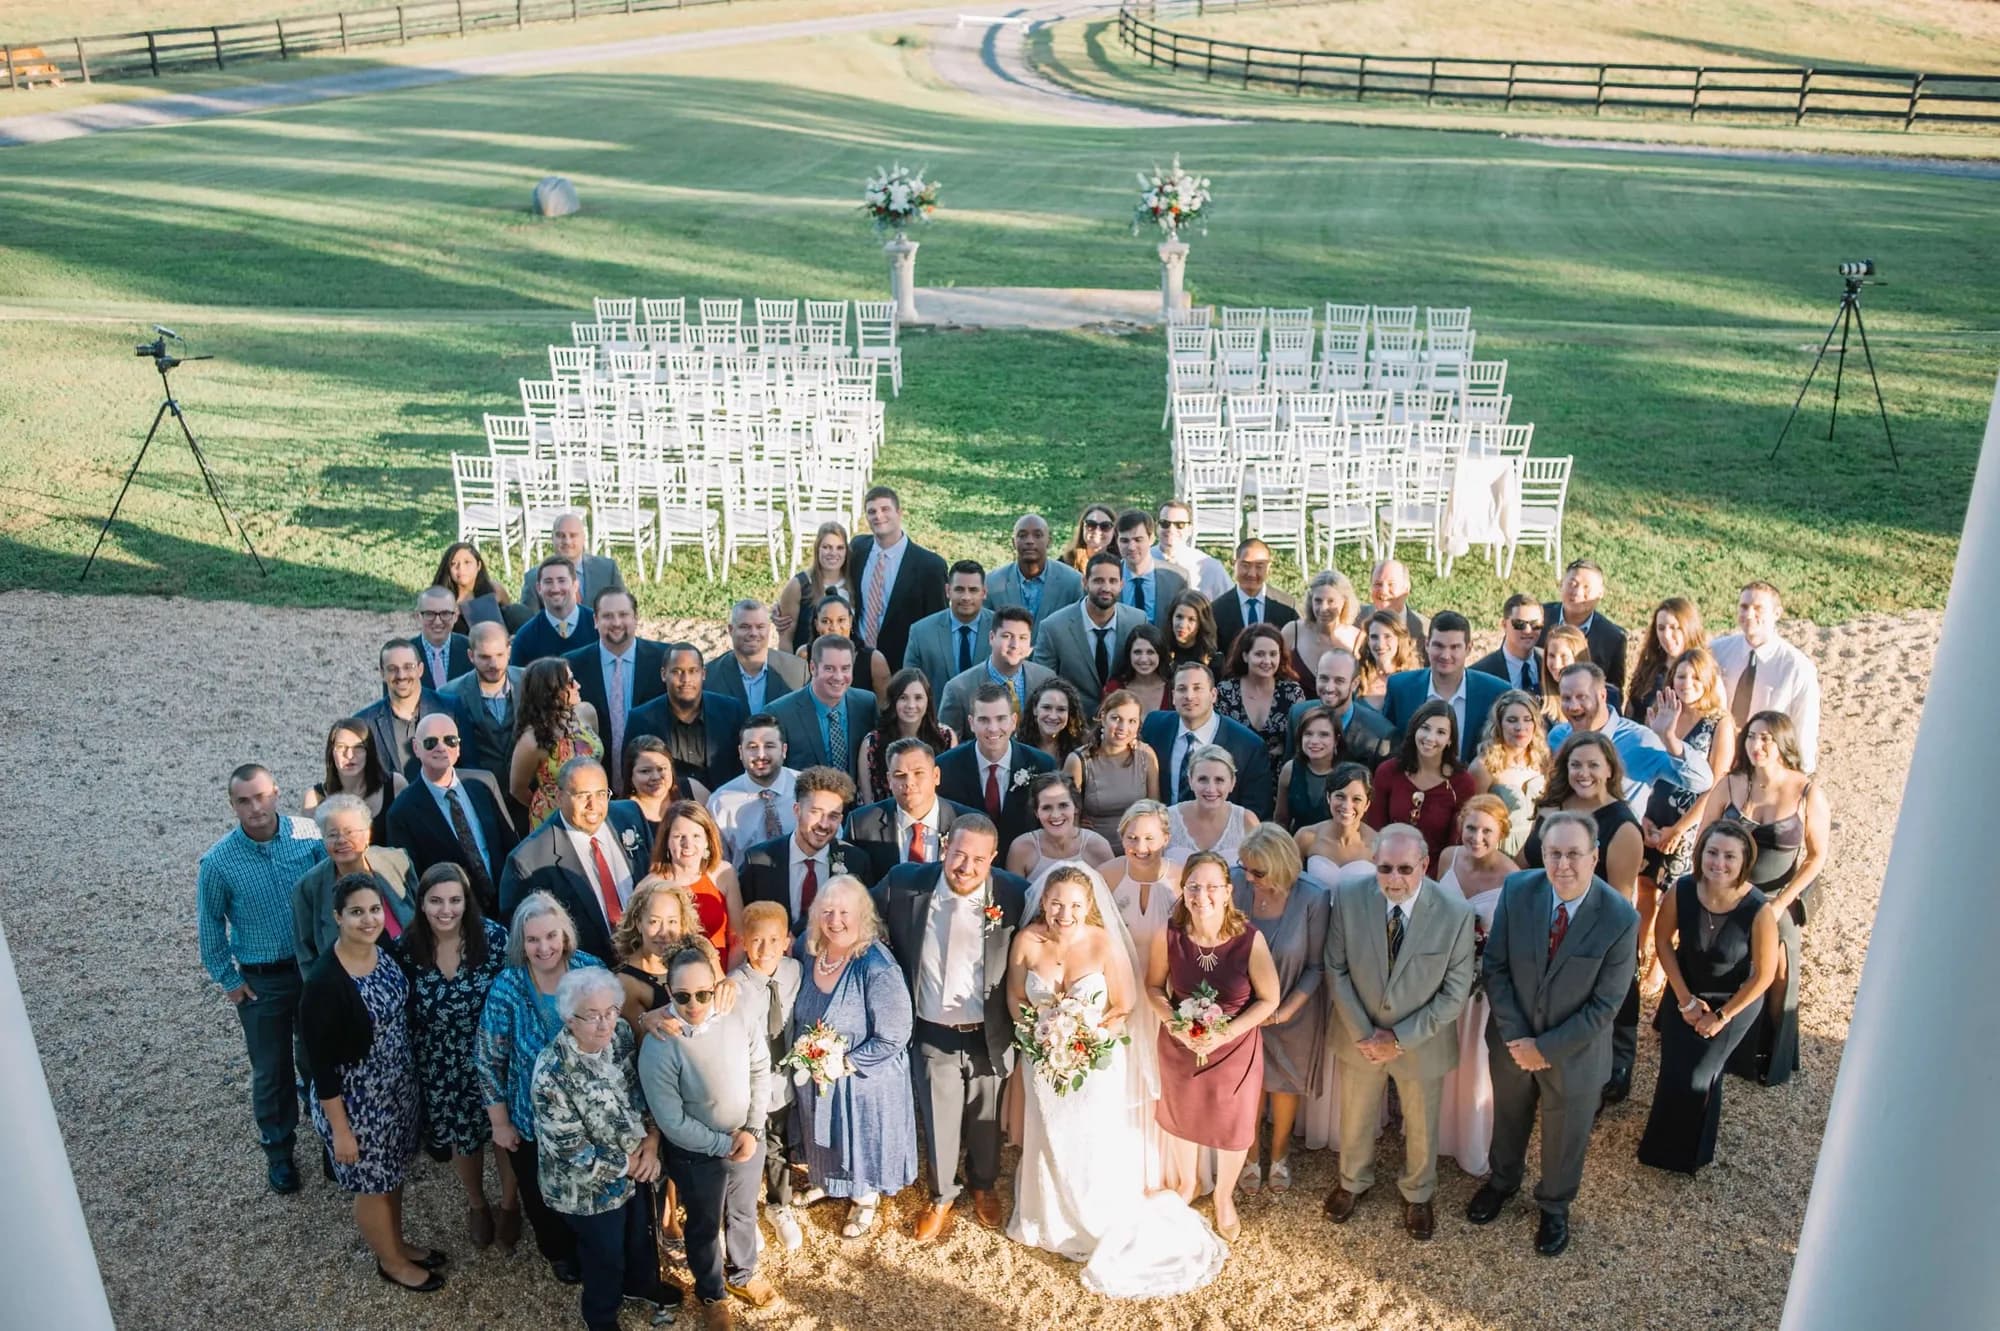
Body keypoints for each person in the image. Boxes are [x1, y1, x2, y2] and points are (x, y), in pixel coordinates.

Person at [1005, 865, 1227, 1298]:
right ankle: (1050, 1217)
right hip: (1043, 1061)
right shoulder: (1026, 941)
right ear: (1044, 901)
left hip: (1095, 1064)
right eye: (1056, 902)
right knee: (1050, 1138)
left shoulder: (1103, 941)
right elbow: (1015, 997)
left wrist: (1085, 1037)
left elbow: (1124, 1005)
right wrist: (1037, 1032)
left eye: (1073, 905)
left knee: (1093, 1140)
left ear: (1088, 906)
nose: (1063, 912)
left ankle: (1098, 1217)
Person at [1469, 811, 1638, 1258]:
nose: (1563, 864)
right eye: (1553, 853)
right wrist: (1519, 1038)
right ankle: (1503, 1182)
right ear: (1541, 853)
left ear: (1595, 856)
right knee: (1507, 1115)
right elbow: (1496, 967)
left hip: (1575, 1053)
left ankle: (1555, 1206)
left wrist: (1544, 1048)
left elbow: (1607, 1004)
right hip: (1511, 1040)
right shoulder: (1518, 889)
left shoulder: (1620, 917)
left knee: (1566, 1134)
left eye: (1574, 854)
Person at [874, 818, 1028, 1241]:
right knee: (939, 1118)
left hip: (987, 1032)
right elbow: (859, 914)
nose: (966, 866)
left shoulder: (1013, 894)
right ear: (945, 846)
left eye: (979, 859)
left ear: (993, 859)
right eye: (959, 854)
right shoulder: (904, 884)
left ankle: (983, 1185)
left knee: (985, 1118)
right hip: (931, 1032)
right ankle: (941, 1195)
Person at [1323, 824, 1477, 1241]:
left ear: (1425, 865)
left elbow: (1455, 990)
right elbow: (1335, 968)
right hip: (1360, 1035)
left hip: (1422, 1041)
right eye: (1385, 868)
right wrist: (1364, 1031)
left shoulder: (1455, 913)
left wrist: (1398, 1038)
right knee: (1355, 1114)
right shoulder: (1350, 898)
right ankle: (1352, 1181)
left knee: (1423, 1123)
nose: (1394, 879)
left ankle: (1419, 1193)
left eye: (1405, 869)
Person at [300, 875, 436, 1289]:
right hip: (357, 1102)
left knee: (391, 1175)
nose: (368, 919)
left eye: (374, 910)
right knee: (372, 1186)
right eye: (356, 912)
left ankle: (395, 1244)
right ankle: (391, 1263)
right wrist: (341, 1131)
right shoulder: (325, 983)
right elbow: (320, 1067)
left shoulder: (385, 952)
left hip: (396, 1088)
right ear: (337, 917)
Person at [198, 763, 326, 1193]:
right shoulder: (218, 863)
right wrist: (229, 980)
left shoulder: (309, 838)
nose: (255, 808)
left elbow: (333, 891)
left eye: (261, 796)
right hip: (262, 981)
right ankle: (279, 1150)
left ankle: (329, 1133)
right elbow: (210, 926)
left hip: (310, 970)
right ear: (232, 804)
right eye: (244, 801)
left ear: (276, 792)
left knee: (317, 1057)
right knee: (271, 1071)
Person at [530, 967, 680, 1331]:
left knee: (640, 1235)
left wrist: (651, 1141)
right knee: (605, 1255)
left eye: (611, 1010)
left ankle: (641, 1286)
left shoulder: (622, 1034)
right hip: (586, 1190)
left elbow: (640, 1090)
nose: (605, 1024)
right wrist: (633, 1164)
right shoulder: (551, 1074)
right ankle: (601, 1315)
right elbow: (572, 1152)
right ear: (569, 1018)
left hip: (635, 1164)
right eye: (592, 1016)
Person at [1146, 850, 1282, 1242]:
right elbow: (1154, 986)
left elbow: (1269, 999)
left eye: (1210, 887)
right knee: (1183, 1119)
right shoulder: (1168, 934)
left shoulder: (1248, 940)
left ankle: (1224, 1197)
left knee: (1234, 1127)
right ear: (1183, 889)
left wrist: (1227, 1032)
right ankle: (1188, 1184)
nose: (1200, 895)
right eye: (1193, 886)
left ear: (1227, 892)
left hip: (1235, 1048)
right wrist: (1174, 1025)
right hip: (1181, 1045)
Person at [639, 947, 776, 1327]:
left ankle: (744, 1273)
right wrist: (725, 1144)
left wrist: (752, 1129)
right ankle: (711, 1292)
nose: (695, 1003)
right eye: (683, 996)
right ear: (669, 993)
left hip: (748, 1138)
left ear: (716, 987)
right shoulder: (658, 1044)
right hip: (698, 1154)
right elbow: (671, 1120)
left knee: (744, 1211)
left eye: (703, 993)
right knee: (704, 1223)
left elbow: (760, 1067)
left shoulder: (737, 1014)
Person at [1637, 821, 1780, 1175]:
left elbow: (1763, 975)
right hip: (1685, 989)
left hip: (1734, 1001)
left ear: (1744, 860)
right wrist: (1684, 1000)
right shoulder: (1682, 890)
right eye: (1712, 852)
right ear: (1701, 854)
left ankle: (1692, 1153)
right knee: (1673, 1068)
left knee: (1701, 1075)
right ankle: (1657, 1150)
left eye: (1729, 856)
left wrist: (1721, 1016)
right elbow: (1663, 943)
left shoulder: (1758, 910)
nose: (1719, 862)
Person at [1695, 710, 1828, 1087]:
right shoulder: (1730, 784)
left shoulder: (1808, 792)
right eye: (1751, 737)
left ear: (1783, 743)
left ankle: (1767, 1050)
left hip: (1776, 895)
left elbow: (1817, 856)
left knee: (1781, 966)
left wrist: (1782, 902)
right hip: (1728, 888)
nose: (1756, 745)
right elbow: (1704, 838)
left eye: (1766, 738)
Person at [476, 893, 601, 1284]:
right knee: (540, 1193)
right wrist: (500, 1123)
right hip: (530, 1119)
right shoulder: (508, 987)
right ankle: (558, 1251)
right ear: (521, 943)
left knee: (591, 1184)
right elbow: (488, 1059)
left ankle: (594, 1246)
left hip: (590, 1116)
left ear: (565, 935)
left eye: (551, 936)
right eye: (533, 940)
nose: (543, 947)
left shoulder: (590, 970)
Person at [1520, 730, 1647, 1103]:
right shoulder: (1553, 806)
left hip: (1590, 933)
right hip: (1541, 923)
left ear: (1610, 769)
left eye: (1593, 764)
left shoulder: (1622, 826)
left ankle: (1603, 1077)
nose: (1583, 772)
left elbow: (1620, 903)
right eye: (1575, 764)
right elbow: (1525, 863)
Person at [790, 875, 919, 1238]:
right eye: (827, 911)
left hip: (865, 1080)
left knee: (859, 1136)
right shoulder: (808, 947)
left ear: (863, 916)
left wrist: (843, 1063)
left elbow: (895, 1034)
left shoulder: (877, 965)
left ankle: (864, 1197)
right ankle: (830, 1182)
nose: (835, 920)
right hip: (817, 1074)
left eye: (845, 912)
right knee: (821, 1135)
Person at [403, 864, 516, 1249]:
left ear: (467, 903)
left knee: (505, 1138)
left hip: (494, 1059)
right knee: (462, 1140)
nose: (445, 910)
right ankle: (477, 1205)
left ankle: (509, 1205)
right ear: (421, 904)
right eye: (435, 901)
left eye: (454, 900)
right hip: (440, 1062)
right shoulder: (407, 950)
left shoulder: (496, 940)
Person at [1231, 826, 1327, 1197]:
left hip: (1294, 1007)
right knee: (1249, 1084)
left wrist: (1284, 1012)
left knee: (1285, 1085)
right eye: (1246, 869)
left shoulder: (1313, 897)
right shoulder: (1236, 884)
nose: (1249, 878)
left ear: (1282, 867)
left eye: (1258, 872)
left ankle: (1281, 1154)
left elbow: (1317, 966)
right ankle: (1251, 1155)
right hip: (1242, 1008)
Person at [1636, 647, 1736, 992]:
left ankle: (1660, 965)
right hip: (1653, 812)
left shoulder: (1720, 722)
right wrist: (1645, 819)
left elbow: (1718, 780)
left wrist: (1681, 828)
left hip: (1692, 820)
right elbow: (1645, 764)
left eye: (1695, 677)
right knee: (1645, 886)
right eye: (1681, 675)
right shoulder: (1662, 712)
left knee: (1673, 893)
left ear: (1708, 681)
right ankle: (1638, 949)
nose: (1687, 682)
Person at [1433, 794, 1518, 1177]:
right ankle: (1435, 1135)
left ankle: (1470, 1141)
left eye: (1487, 830)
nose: (1477, 837)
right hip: (1441, 977)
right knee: (1440, 1056)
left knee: (1475, 1059)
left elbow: (1515, 939)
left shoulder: (1514, 877)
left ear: (1501, 833)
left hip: (1483, 986)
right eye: (1471, 827)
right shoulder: (1447, 858)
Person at [498, 756, 651, 966]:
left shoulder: (630, 816)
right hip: (585, 978)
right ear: (559, 797)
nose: (593, 805)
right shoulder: (527, 862)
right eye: (582, 796)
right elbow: (523, 945)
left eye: (601, 794)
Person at [728, 902, 805, 1252]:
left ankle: (779, 1204)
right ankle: (742, 1216)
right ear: (743, 942)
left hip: (783, 1082)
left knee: (778, 1145)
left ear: (787, 941)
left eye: (774, 940)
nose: (766, 949)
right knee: (747, 1150)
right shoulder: (734, 986)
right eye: (757, 941)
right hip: (748, 1088)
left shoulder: (795, 972)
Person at [385, 712, 516, 914]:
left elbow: (510, 845)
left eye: (450, 740)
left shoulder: (483, 783)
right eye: (430, 742)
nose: (441, 747)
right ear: (416, 748)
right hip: (453, 918)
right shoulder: (402, 812)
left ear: (459, 747)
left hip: (506, 906)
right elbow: (412, 882)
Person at [1547, 662, 1712, 821]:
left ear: (1602, 695)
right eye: (1566, 698)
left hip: (1619, 844)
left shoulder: (1640, 740)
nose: (1573, 706)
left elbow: (1701, 782)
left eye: (1581, 697)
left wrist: (1669, 738)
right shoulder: (1557, 737)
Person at [738, 766, 870, 934]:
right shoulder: (757, 860)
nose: (823, 824)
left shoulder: (856, 862)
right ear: (797, 810)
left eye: (833, 816)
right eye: (815, 812)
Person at [1709, 579, 1822, 772]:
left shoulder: (1797, 668)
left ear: (1777, 613)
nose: (1749, 614)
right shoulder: (1716, 652)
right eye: (1743, 607)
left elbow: (1804, 728)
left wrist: (1802, 774)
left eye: (1758, 608)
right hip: (1717, 760)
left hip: (1767, 764)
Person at [1143, 658, 1277, 821]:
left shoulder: (1248, 746)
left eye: (1197, 688)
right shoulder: (1154, 727)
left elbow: (1257, 811)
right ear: (1173, 696)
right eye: (1182, 689)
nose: (1189, 696)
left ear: (1213, 695)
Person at [562, 587, 666, 795]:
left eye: (623, 615)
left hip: (651, 782)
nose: (616, 623)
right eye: (608, 616)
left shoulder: (663, 659)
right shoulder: (572, 665)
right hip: (593, 784)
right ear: (595, 620)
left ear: (636, 618)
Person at [294, 794, 418, 968]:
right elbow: (306, 956)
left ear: (367, 834)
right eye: (332, 834)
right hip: (347, 988)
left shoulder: (397, 861)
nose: (342, 840)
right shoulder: (309, 887)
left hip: (411, 972)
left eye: (349, 832)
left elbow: (422, 918)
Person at [938, 684, 1058, 861]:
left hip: (1026, 865)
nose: (993, 728)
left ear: (1014, 721)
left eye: (1001, 719)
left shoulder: (1041, 765)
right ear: (971, 723)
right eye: (984, 720)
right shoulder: (946, 767)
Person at [1381, 611, 1508, 767]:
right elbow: (1387, 743)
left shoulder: (1495, 691)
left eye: (1454, 647)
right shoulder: (1400, 687)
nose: (1445, 655)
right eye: (1438, 646)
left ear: (1468, 648)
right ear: (1427, 645)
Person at [625, 644, 750, 797]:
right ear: (664, 675)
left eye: (693, 671)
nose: (686, 679)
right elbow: (630, 775)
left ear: (703, 673)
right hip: (664, 812)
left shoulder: (732, 712)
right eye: (677, 672)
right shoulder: (641, 719)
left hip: (724, 809)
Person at [1032, 553, 1146, 719]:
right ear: (1085, 582)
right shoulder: (1053, 627)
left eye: (1113, 581)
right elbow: (1042, 685)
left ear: (1121, 584)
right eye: (1098, 580)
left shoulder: (1136, 621)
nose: (1106, 588)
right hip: (1071, 724)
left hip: (1122, 724)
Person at [848, 484, 949, 671]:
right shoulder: (857, 549)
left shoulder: (930, 566)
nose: (878, 516)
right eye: (872, 512)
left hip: (902, 665)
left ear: (899, 512)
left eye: (885, 509)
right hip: (857, 660)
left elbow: (938, 624)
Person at [1368, 699, 1476, 866]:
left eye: (1440, 732)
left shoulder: (1462, 783)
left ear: (1450, 739)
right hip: (1388, 866)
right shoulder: (1388, 771)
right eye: (1425, 728)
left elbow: (1454, 846)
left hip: (1436, 874)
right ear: (1414, 729)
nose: (1430, 738)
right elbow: (1375, 830)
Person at [766, 634, 879, 778]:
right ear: (813, 668)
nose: (838, 677)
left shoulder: (866, 704)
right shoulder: (780, 714)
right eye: (830, 669)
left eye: (845, 668)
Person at [509, 658, 602, 827]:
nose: (578, 686)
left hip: (593, 809)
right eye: (570, 682)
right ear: (550, 690)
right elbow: (517, 789)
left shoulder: (586, 712)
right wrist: (549, 803)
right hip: (555, 820)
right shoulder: (532, 741)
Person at [938, 605, 1052, 736]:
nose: (1015, 645)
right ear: (992, 637)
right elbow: (948, 749)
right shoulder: (959, 690)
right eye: (1007, 636)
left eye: (1023, 638)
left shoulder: (1045, 680)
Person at [443, 623, 526, 803]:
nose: (494, 664)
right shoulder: (449, 694)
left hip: (528, 795)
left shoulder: (530, 681)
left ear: (509, 651)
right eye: (485, 657)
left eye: (499, 655)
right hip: (480, 798)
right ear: (471, 656)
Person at [649, 801, 744, 957]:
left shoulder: (724, 873)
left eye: (696, 836)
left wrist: (730, 979)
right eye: (679, 837)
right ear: (666, 841)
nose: (688, 844)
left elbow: (738, 939)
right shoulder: (652, 885)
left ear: (707, 840)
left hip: (723, 974)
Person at [358, 639, 462, 780]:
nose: (401, 675)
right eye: (392, 669)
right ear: (382, 673)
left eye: (408, 667)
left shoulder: (451, 709)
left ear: (420, 669)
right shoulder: (365, 722)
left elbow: (468, 765)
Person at [1065, 688, 1160, 837]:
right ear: (1103, 718)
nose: (1123, 728)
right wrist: (1078, 824)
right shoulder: (1078, 761)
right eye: (1116, 718)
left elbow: (1155, 811)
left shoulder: (1146, 756)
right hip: (1093, 846)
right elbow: (1068, 814)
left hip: (1136, 846)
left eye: (1132, 721)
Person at [1468, 690, 1551, 860]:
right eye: (1512, 720)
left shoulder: (1544, 761)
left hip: (1537, 852)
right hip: (1499, 853)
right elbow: (1471, 819)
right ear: (1499, 725)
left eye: (1527, 719)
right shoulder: (1483, 766)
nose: (1520, 727)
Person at [1217, 622, 1309, 770]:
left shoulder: (1292, 693)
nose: (1267, 661)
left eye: (1273, 654)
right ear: (1245, 656)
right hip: (1236, 774)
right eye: (1259, 654)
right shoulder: (1226, 691)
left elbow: (1301, 740)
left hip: (1280, 778)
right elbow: (1220, 739)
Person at [1286, 646, 1397, 768]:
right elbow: (1291, 770)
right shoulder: (1297, 714)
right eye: (1324, 678)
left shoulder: (1380, 734)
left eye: (1339, 681)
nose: (1329, 688)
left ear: (1354, 683)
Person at [706, 716, 796, 866]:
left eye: (769, 746)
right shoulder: (720, 803)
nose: (761, 755)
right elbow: (718, 866)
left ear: (784, 750)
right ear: (741, 752)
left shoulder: (808, 789)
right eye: (752, 747)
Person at [860, 668, 958, 804]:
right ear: (893, 701)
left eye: (918, 698)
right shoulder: (872, 743)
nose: (911, 705)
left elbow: (951, 792)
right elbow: (867, 799)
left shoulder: (946, 737)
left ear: (927, 701)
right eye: (903, 698)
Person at [1007, 771, 1114, 889]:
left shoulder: (1097, 846)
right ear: (1036, 812)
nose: (1056, 815)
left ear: (1076, 807)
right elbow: (1013, 900)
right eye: (1046, 807)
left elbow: (1111, 898)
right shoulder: (1021, 848)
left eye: (1063, 805)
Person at [304, 717, 403, 845]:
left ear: (369, 751)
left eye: (358, 747)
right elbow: (309, 851)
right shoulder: (314, 799)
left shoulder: (395, 785)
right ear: (331, 752)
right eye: (341, 747)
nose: (349, 755)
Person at [905, 559, 994, 700]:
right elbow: (909, 684)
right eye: (959, 589)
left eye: (973, 590)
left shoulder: (1001, 628)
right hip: (936, 718)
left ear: (984, 592)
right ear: (947, 591)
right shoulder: (920, 632)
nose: (966, 597)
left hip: (989, 718)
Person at [706, 599, 808, 716]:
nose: (753, 633)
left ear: (769, 629)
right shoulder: (710, 676)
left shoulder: (798, 671)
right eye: (745, 627)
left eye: (760, 627)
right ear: (731, 630)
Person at [1541, 557, 1628, 694]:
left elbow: (1614, 691)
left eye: (1586, 587)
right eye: (1572, 584)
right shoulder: (1538, 618)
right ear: (1561, 584)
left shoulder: (1613, 637)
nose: (1578, 592)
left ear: (1600, 593)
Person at [987, 512, 1086, 626]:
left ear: (1049, 541)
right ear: (1013, 542)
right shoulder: (992, 583)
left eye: (1038, 535)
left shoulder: (1072, 582)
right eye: (1022, 535)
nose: (1030, 541)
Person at [517, 513, 625, 616]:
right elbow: (529, 624)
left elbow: (624, 609)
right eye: (560, 535)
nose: (567, 541)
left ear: (583, 538)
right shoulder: (534, 578)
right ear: (552, 539)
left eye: (573, 535)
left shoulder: (606, 570)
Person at [793, 592, 892, 704]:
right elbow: (796, 702)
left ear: (850, 621)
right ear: (816, 624)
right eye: (826, 621)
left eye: (841, 620)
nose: (834, 628)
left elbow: (885, 708)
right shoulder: (804, 654)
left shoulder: (874, 660)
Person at [1166, 744, 1259, 862]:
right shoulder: (1167, 819)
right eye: (1202, 779)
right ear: (1190, 781)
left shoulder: (1247, 821)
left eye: (1219, 780)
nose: (1210, 789)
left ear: (1232, 783)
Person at [773, 520, 855, 653]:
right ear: (817, 549)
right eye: (826, 547)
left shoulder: (854, 582)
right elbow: (785, 638)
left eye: (840, 547)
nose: (833, 553)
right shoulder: (799, 585)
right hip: (807, 663)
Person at [1211, 538, 1299, 657]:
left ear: (1269, 567)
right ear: (1234, 564)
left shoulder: (1287, 606)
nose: (1252, 574)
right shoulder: (1217, 609)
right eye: (1245, 565)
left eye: (1259, 566)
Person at [1624, 596, 1707, 719]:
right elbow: (1631, 711)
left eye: (1674, 628)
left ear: (1689, 628)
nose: (1667, 636)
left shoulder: (1705, 670)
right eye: (1661, 628)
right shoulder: (1649, 667)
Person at [617, 737, 710, 844]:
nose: (656, 777)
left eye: (662, 769)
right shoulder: (620, 812)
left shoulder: (693, 789)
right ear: (630, 775)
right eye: (645, 771)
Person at [511, 556, 601, 667]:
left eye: (561, 581)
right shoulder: (525, 637)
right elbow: (518, 681)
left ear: (575, 585)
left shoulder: (599, 626)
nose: (555, 589)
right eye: (548, 582)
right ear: (539, 588)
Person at [1284, 569, 1363, 681]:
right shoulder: (1293, 631)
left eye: (1331, 601)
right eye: (1318, 601)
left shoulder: (1357, 639)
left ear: (1344, 601)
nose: (1323, 608)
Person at [1114, 509, 1187, 628]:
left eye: (1138, 540)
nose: (1132, 547)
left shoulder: (1177, 579)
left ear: (1152, 538)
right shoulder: (1108, 578)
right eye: (1124, 541)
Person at [1275, 704, 1340, 833]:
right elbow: (1281, 820)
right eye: (1308, 734)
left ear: (1336, 740)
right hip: (1296, 847)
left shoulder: (1349, 774)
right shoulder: (1290, 769)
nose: (1314, 741)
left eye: (1323, 735)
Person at [1538, 623, 1621, 720]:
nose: (1556, 664)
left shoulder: (1609, 695)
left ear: (1579, 658)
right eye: (1551, 656)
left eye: (1564, 656)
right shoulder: (1537, 696)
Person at [433, 539, 517, 635]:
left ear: (478, 565)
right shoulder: (441, 600)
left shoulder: (495, 590)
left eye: (467, 562)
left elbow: (511, 618)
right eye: (454, 563)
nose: (461, 568)